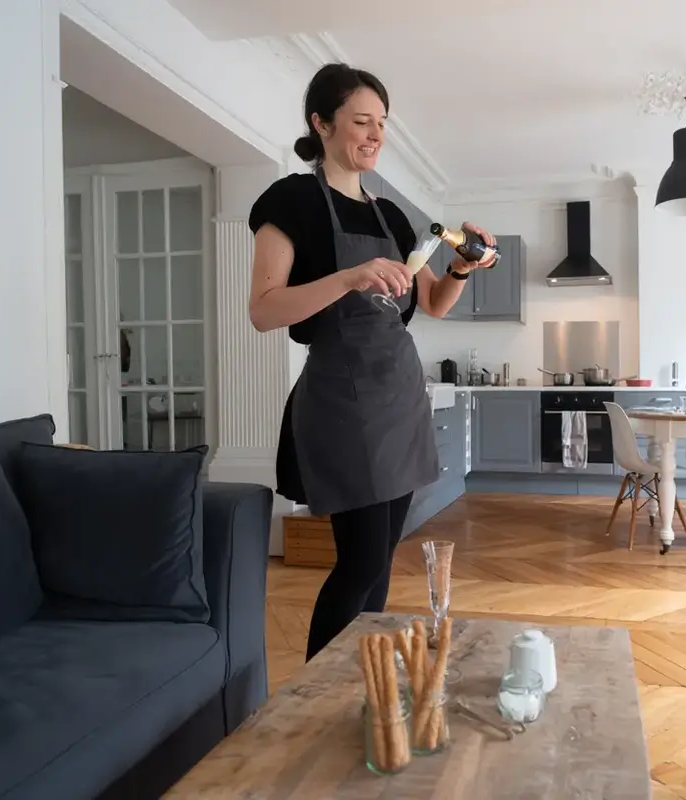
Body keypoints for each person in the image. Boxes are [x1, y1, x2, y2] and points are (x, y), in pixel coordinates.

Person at [248, 63, 496, 661]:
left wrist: (462, 267)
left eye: (382, 123)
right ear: (322, 123)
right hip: (341, 398)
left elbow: (432, 302)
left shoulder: (391, 217)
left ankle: (363, 680)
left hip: (398, 396)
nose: (376, 134)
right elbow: (263, 310)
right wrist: (349, 277)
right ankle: (316, 691)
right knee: (358, 562)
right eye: (362, 121)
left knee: (380, 559)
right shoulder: (291, 201)